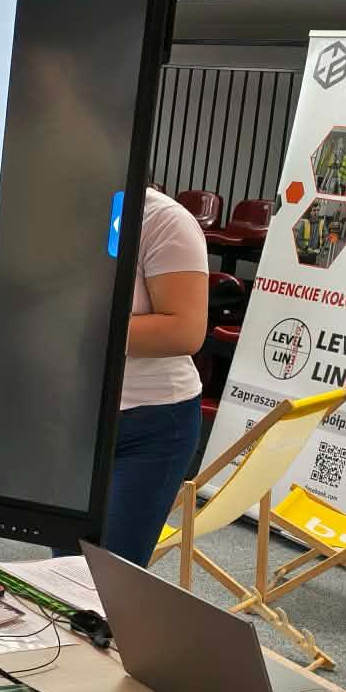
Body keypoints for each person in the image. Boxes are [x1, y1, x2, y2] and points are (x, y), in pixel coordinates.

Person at [102, 187, 208, 565]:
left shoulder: (164, 220)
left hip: (149, 422)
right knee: (66, 565)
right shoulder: (53, 208)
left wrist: (77, 324)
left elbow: (184, 331)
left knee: (108, 574)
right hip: (72, 415)